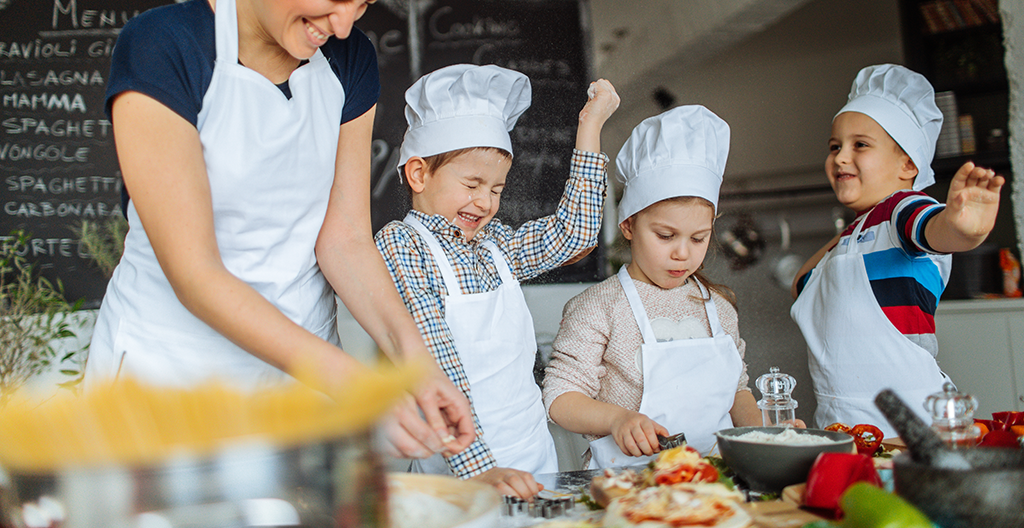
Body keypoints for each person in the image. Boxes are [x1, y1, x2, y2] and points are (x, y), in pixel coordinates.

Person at [83, 0, 475, 460]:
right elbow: (196, 273)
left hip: (302, 385)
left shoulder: (349, 59)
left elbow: (343, 240)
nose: (343, 26)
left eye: (365, 4)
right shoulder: (164, 46)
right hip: (169, 379)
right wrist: (358, 386)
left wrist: (414, 364)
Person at [375, 64, 619, 498]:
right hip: (457, 475)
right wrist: (480, 470)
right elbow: (435, 363)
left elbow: (575, 234)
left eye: (497, 189)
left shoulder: (494, 245)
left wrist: (590, 124)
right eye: (472, 183)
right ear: (418, 175)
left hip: (533, 461)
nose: (486, 201)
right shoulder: (402, 245)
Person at [543, 105, 763, 469]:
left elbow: (737, 391)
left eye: (698, 238)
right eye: (665, 235)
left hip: (717, 480)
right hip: (624, 484)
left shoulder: (719, 307)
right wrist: (617, 419)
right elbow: (560, 397)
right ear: (628, 225)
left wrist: (768, 436)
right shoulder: (599, 306)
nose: (682, 253)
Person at [790, 64, 1005, 435]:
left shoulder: (901, 209)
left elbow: (934, 230)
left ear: (908, 164)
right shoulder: (855, 233)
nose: (841, 157)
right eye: (834, 146)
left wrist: (963, 230)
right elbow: (802, 285)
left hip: (914, 425)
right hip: (841, 425)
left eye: (860, 145)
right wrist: (849, 228)